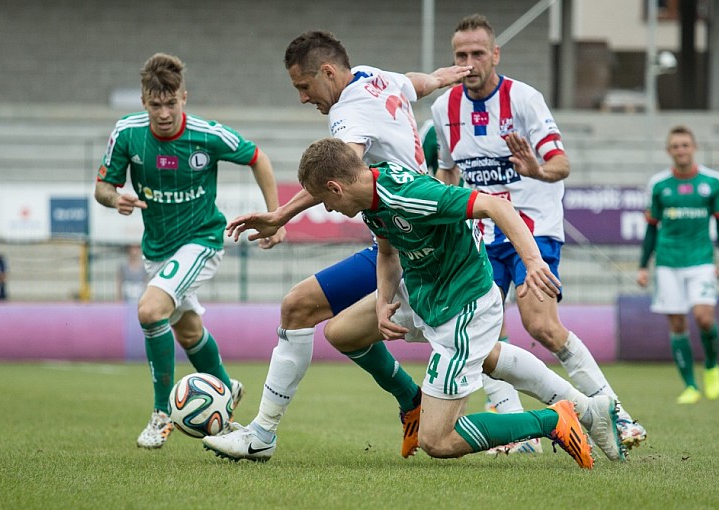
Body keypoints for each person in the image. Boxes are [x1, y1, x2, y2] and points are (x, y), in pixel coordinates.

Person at [257, 138, 626, 468]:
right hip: (422, 294)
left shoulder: (411, 194)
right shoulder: (368, 197)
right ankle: (588, 409)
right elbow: (387, 251)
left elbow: (498, 207)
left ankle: (555, 420)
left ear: (335, 188)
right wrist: (384, 301)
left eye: (324, 201)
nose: (330, 210)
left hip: (463, 305)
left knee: (438, 441)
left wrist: (532, 261)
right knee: (341, 332)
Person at [202, 31, 472, 462]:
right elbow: (415, 82)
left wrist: (279, 215)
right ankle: (413, 400)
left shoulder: (349, 108)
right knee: (340, 329)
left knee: (299, 307)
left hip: (411, 244)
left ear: (328, 72)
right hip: (406, 241)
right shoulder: (376, 78)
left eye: (303, 87)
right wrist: (444, 77)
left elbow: (338, 173)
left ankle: (262, 434)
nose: (303, 98)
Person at [430, 14, 647, 450]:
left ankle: (617, 415)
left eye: (477, 53)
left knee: (542, 325)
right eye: (460, 55)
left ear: (495, 54)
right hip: (479, 236)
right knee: (475, 332)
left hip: (532, 230)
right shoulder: (442, 108)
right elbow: (448, 174)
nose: (469, 62)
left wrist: (536, 170)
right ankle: (515, 427)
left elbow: (562, 164)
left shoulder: (524, 99)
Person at [94, 52, 285, 449]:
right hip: (158, 250)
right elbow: (102, 188)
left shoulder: (206, 135)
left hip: (202, 240)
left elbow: (257, 157)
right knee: (188, 330)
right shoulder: (127, 134)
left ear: (185, 97)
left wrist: (275, 215)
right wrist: (116, 200)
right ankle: (225, 393)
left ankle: (162, 413)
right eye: (154, 105)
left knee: (149, 310)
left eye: (171, 103)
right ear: (144, 102)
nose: (163, 113)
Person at [637, 125, 719, 404]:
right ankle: (690, 385)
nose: (681, 150)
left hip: (701, 259)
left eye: (685, 145)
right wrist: (644, 266)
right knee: (677, 324)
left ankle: (712, 365)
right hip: (668, 262)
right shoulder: (659, 184)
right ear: (669, 151)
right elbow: (651, 230)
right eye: (675, 146)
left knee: (704, 318)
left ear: (694, 147)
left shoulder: (713, 181)